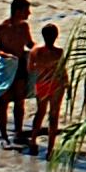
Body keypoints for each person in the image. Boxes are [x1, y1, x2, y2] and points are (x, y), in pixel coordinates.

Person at [0, 0, 35, 148]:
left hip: (20, 64)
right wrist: (2, 54)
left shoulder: (24, 27)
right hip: (8, 66)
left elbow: (29, 44)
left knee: (20, 100)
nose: (29, 13)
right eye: (26, 10)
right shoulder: (3, 27)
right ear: (18, 11)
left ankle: (18, 133)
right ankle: (4, 135)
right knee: (4, 100)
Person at [24, 23, 68, 152]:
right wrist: (66, 82)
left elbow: (30, 69)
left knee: (40, 112)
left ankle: (33, 141)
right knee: (53, 115)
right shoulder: (58, 52)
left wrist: (43, 67)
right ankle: (50, 148)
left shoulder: (36, 51)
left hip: (42, 82)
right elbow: (62, 69)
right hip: (56, 84)